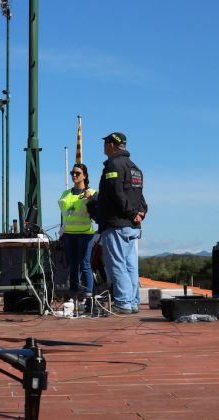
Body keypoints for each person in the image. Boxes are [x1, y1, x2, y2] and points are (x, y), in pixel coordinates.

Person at [90, 132, 147, 314]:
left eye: (105, 143)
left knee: (117, 264)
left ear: (112, 145)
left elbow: (116, 194)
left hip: (117, 224)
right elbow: (139, 196)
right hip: (132, 226)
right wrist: (141, 213)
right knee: (131, 266)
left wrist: (131, 213)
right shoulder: (135, 167)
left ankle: (123, 303)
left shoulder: (114, 165)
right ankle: (133, 302)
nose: (104, 146)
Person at [58, 163, 97, 298]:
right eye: (72, 173)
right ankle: (74, 293)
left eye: (77, 173)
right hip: (69, 235)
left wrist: (92, 198)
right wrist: (62, 233)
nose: (74, 175)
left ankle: (89, 294)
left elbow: (101, 205)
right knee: (73, 265)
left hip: (86, 234)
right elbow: (64, 215)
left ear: (84, 176)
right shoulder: (65, 194)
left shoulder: (92, 192)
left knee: (85, 264)